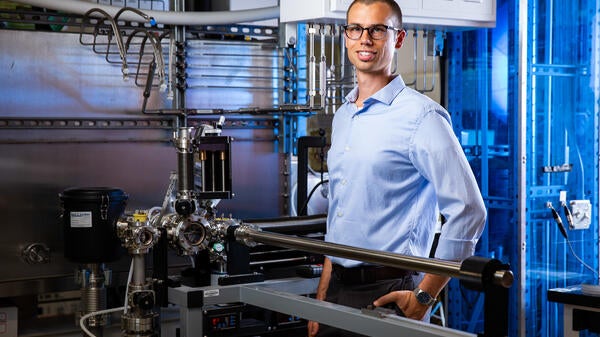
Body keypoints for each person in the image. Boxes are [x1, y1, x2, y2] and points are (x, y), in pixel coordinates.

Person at [307, 0, 487, 336]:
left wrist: (424, 295)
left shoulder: (421, 118)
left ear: (398, 38)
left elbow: (469, 211)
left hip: (390, 289)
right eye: (356, 29)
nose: (365, 39)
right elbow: (341, 213)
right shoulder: (344, 115)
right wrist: (321, 296)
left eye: (377, 29)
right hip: (336, 291)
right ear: (345, 36)